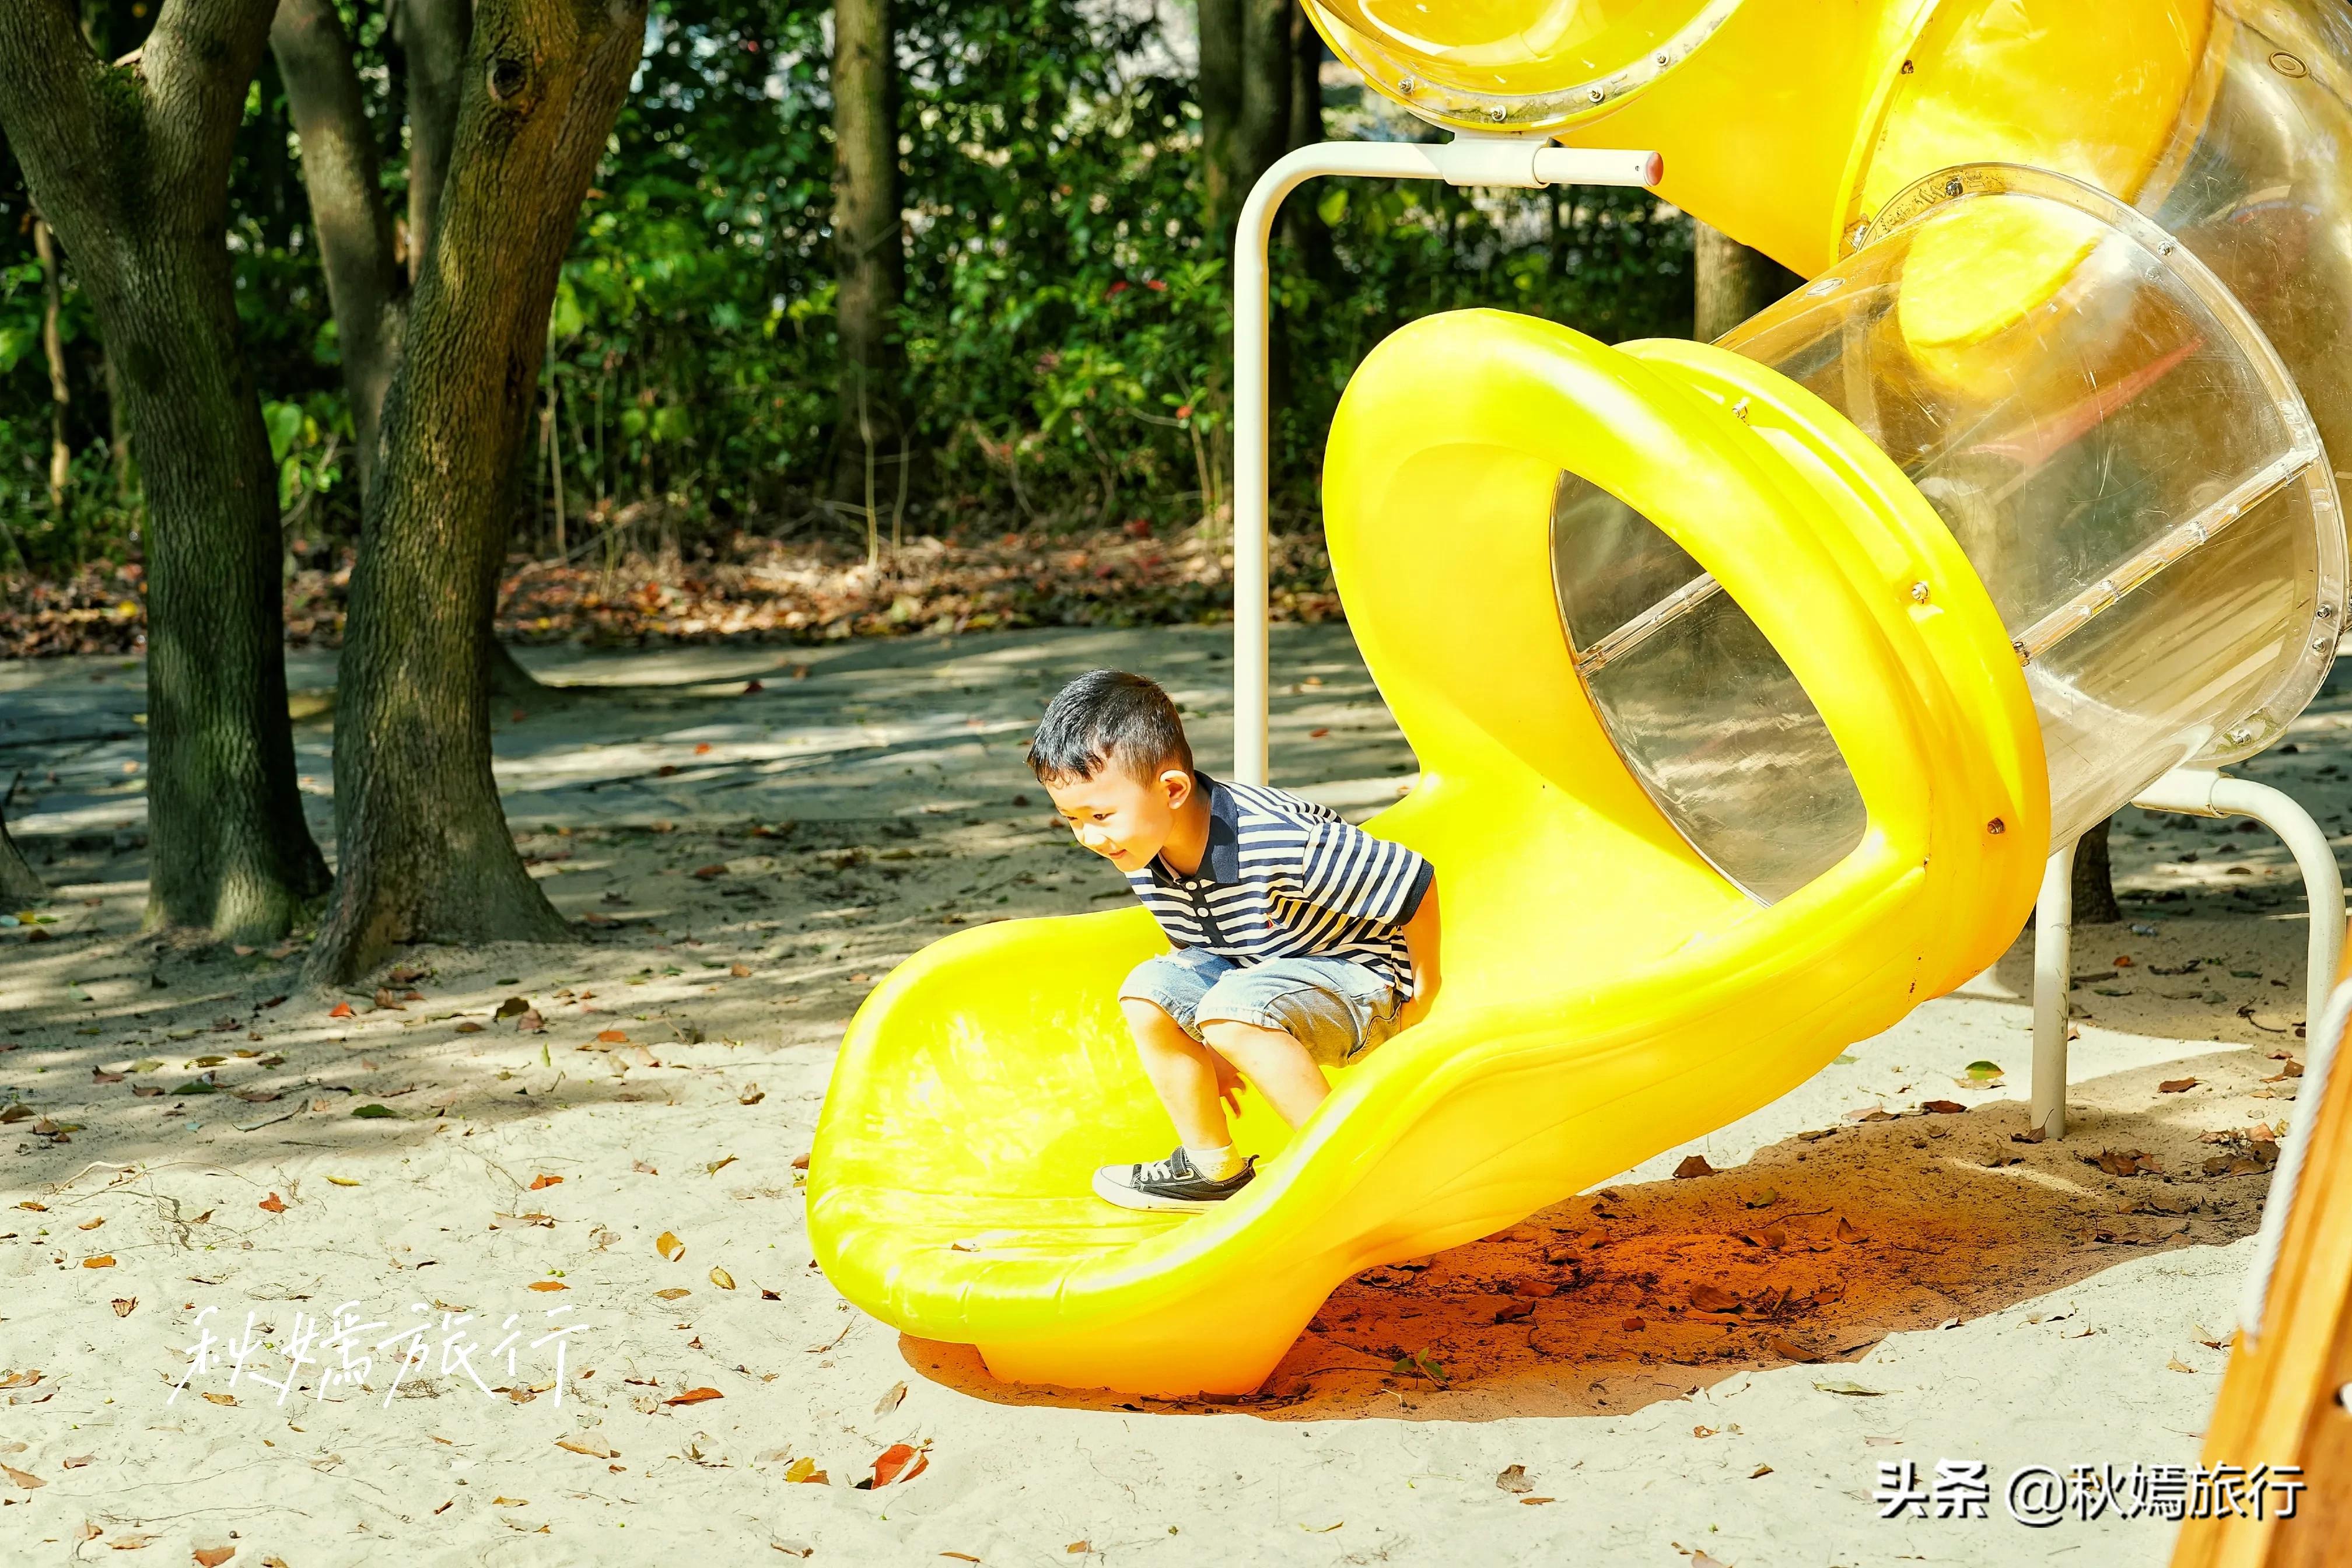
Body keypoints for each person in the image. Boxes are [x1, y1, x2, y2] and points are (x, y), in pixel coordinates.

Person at [1028, 668, 1440, 1212]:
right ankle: (1212, 1169)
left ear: (1172, 789)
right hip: (1259, 975)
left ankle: (1351, 1176)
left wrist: (1424, 995)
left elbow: (1413, 879)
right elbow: (1193, 945)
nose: (1090, 837)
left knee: (1231, 1010)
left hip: (1358, 979)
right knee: (1147, 991)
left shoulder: (1276, 840)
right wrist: (1204, 1041)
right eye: (1072, 820)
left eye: (1100, 815)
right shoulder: (1140, 842)